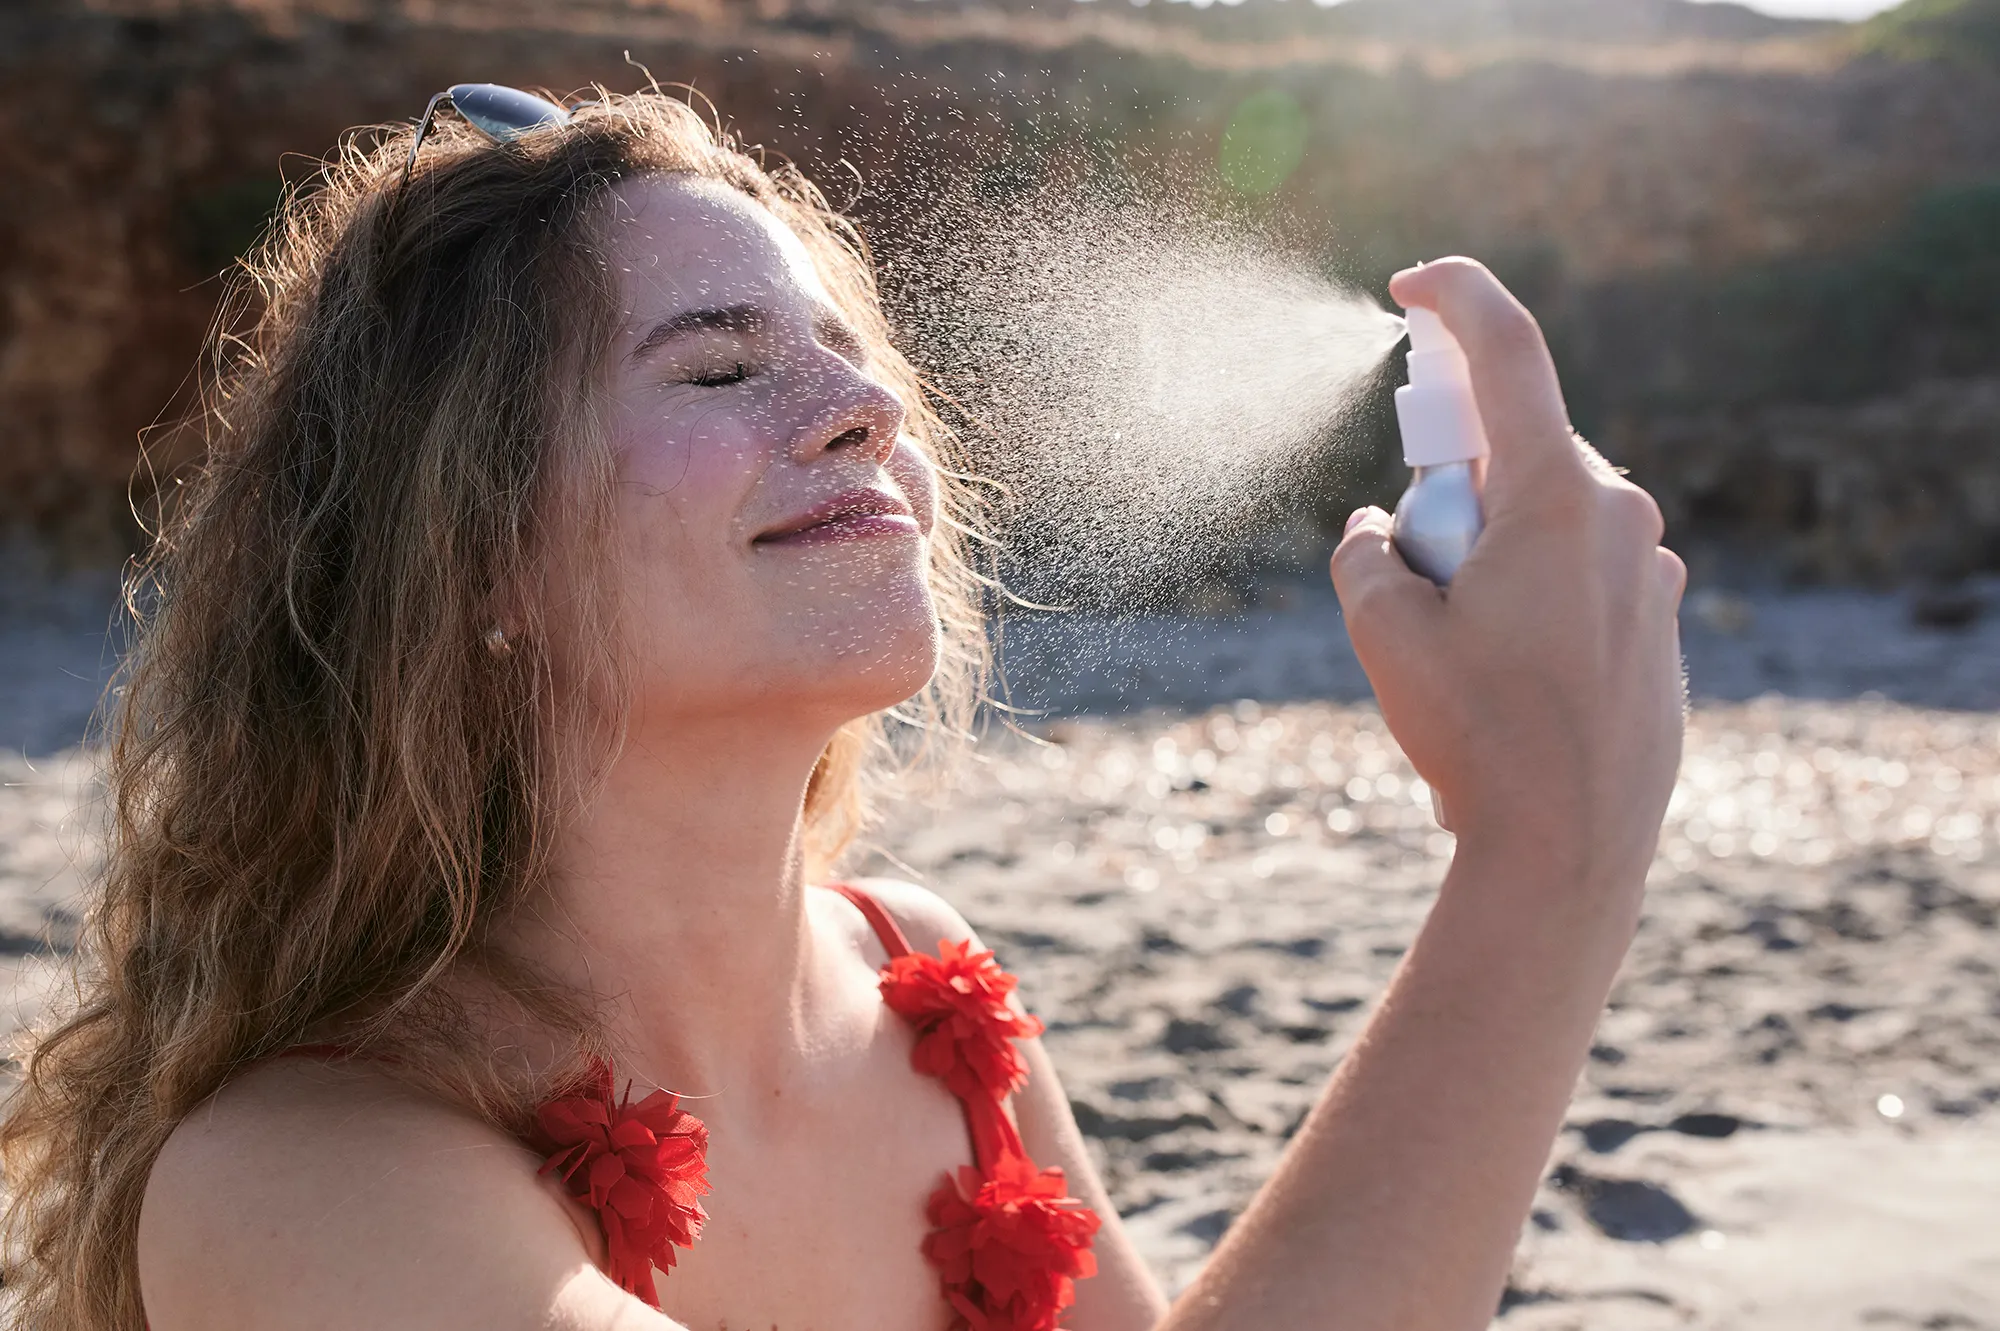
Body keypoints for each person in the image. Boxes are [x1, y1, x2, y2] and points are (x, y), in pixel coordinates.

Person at [0, 86, 1685, 1331]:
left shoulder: (918, 989)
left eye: (849, 347)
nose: (867, 404)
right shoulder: (307, 1184)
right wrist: (1547, 844)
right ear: (468, 560)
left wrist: (1554, 837)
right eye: (723, 369)